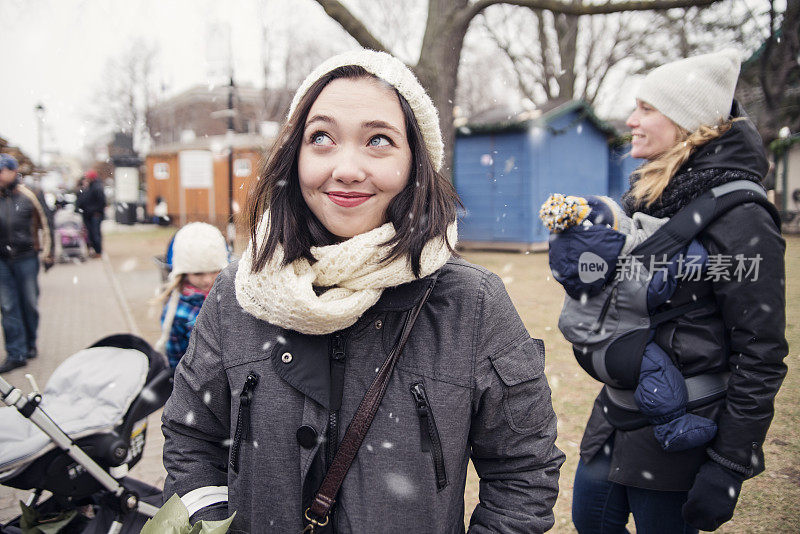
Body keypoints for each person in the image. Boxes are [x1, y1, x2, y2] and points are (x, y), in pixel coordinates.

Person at [161, 49, 564, 533]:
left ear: (415, 162)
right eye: (322, 138)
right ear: (296, 157)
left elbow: (524, 469)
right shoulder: (238, 295)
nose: (347, 168)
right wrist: (206, 523)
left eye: (378, 140)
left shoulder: (472, 304)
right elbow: (191, 438)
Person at [571, 50, 788, 533]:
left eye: (647, 109)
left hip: (684, 430)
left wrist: (730, 464)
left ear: (689, 123)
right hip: (615, 418)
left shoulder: (743, 216)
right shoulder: (645, 199)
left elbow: (761, 352)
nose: (631, 120)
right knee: (590, 522)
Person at [540, 193, 717, 453]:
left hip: (584, 346)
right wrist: (692, 250)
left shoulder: (583, 268)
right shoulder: (634, 273)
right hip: (619, 348)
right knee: (659, 374)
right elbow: (667, 280)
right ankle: (672, 426)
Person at [0, 154, 55, 374]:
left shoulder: (29, 195)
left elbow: (46, 224)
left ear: (14, 172)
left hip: (26, 257)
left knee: (29, 303)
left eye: (3, 170)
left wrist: (49, 254)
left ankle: (30, 343)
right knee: (8, 306)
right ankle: (16, 353)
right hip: (2, 260)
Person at [154, 222, 228, 369]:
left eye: (215, 271)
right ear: (183, 272)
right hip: (198, 382)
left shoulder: (232, 297)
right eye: (198, 273)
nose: (207, 279)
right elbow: (176, 358)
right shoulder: (178, 311)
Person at [76, 169, 106, 257]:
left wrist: (96, 211)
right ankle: (95, 250)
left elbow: (102, 202)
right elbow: (81, 199)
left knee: (95, 234)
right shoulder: (88, 187)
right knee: (91, 234)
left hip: (95, 214)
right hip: (88, 214)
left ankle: (98, 251)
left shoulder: (97, 187)